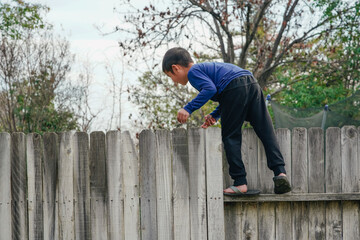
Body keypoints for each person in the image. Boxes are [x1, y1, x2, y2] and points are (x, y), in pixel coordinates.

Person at [162, 47, 291, 196]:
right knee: (265, 130)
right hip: (252, 83)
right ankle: (280, 173)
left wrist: (188, 108)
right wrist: (216, 115)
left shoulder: (193, 72)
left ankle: (240, 182)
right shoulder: (210, 68)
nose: (174, 81)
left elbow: (210, 90)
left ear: (175, 68)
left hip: (235, 87)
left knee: (231, 136)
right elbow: (228, 90)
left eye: (170, 76)